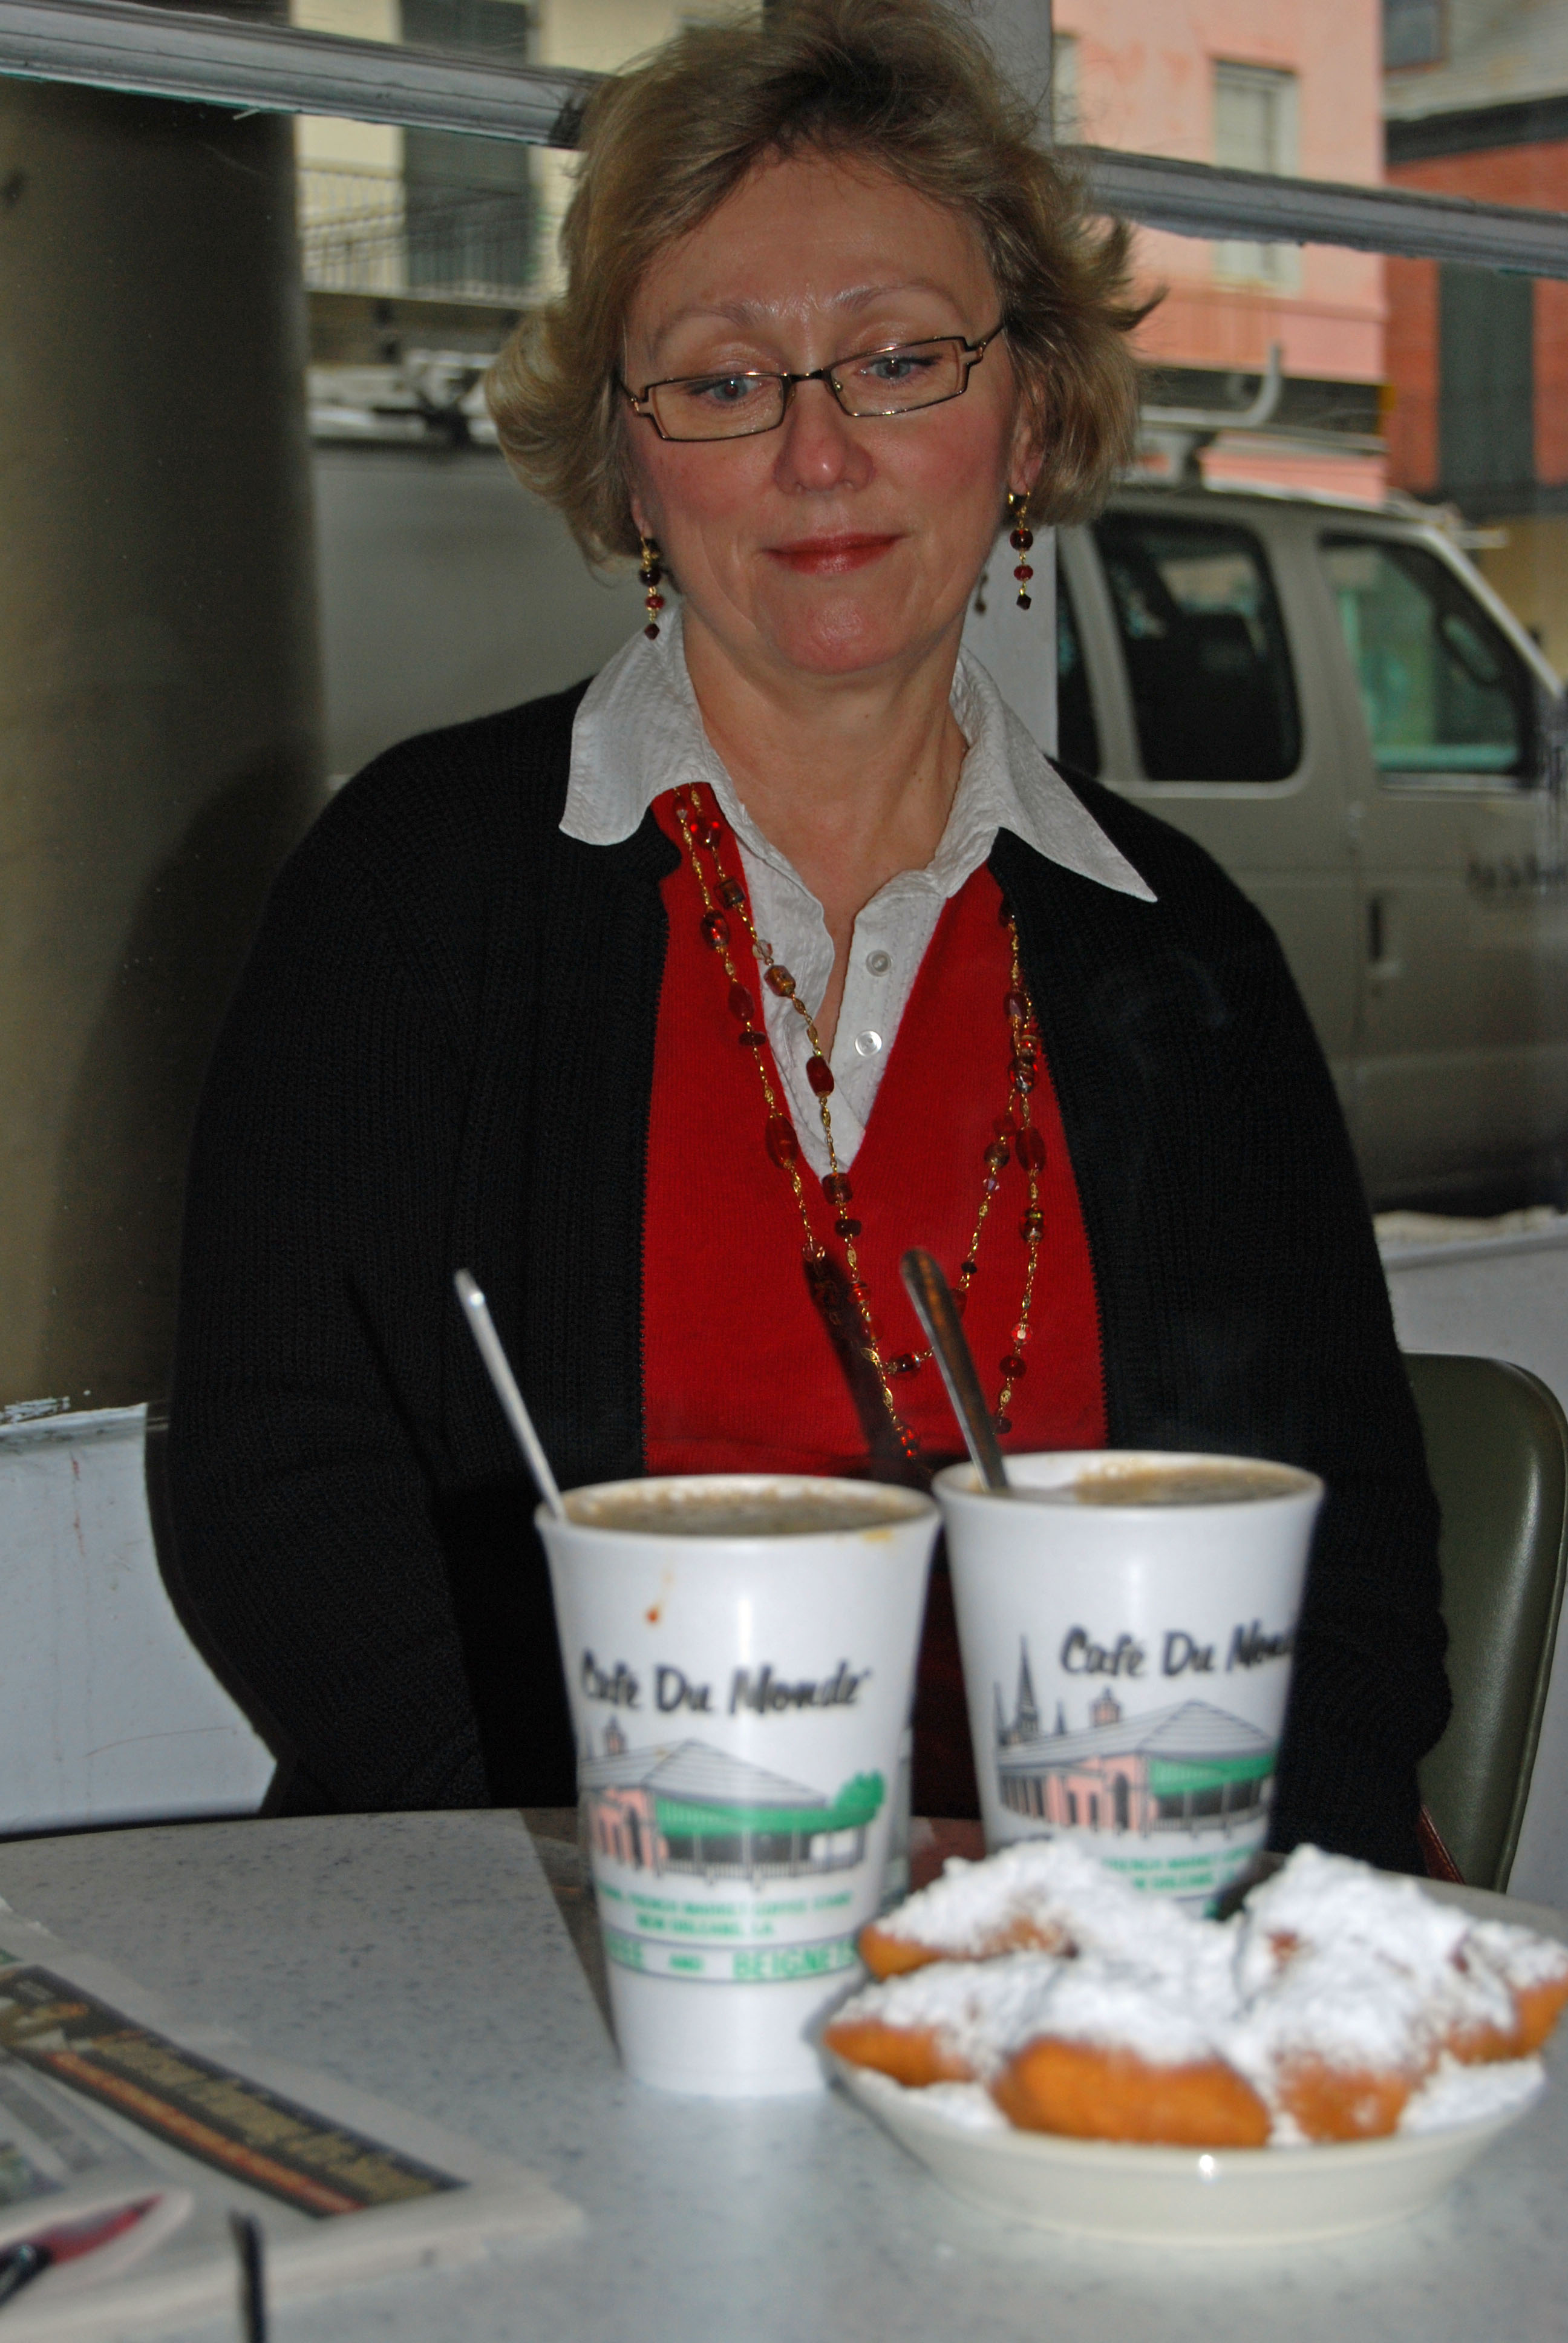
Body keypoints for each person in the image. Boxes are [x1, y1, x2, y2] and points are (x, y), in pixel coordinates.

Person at [166, 0, 1448, 1866]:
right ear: (631, 462)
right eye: (724, 377)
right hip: (600, 1949)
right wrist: (610, 1896)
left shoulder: (1191, 954)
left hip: (1089, 1959)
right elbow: (283, 1499)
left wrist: (1160, 1946)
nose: (820, 453)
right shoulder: (409, 889)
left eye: (901, 360)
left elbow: (1347, 1563)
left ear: (1026, 418)